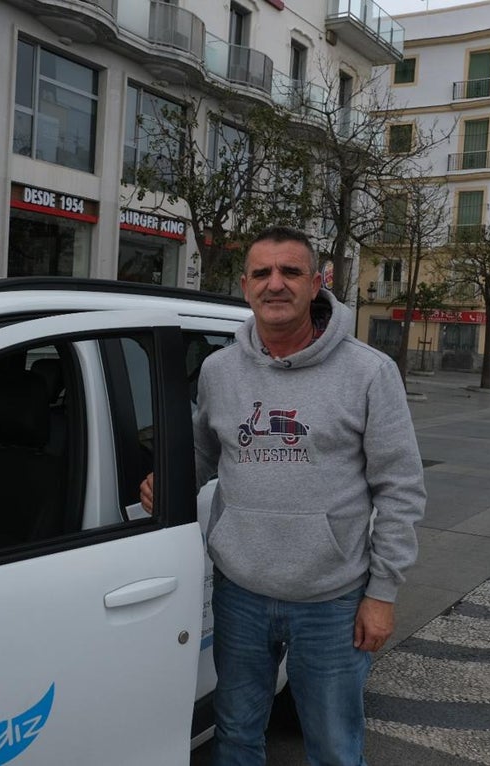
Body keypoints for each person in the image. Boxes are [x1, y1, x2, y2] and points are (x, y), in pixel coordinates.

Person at [140, 226, 425, 766]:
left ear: (317, 283)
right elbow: (203, 453)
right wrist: (168, 483)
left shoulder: (369, 372)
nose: (276, 284)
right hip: (240, 591)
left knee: (334, 748)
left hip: (333, 600)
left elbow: (401, 490)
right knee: (235, 735)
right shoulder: (219, 370)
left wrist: (382, 594)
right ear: (245, 285)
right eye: (262, 273)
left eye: (291, 271)